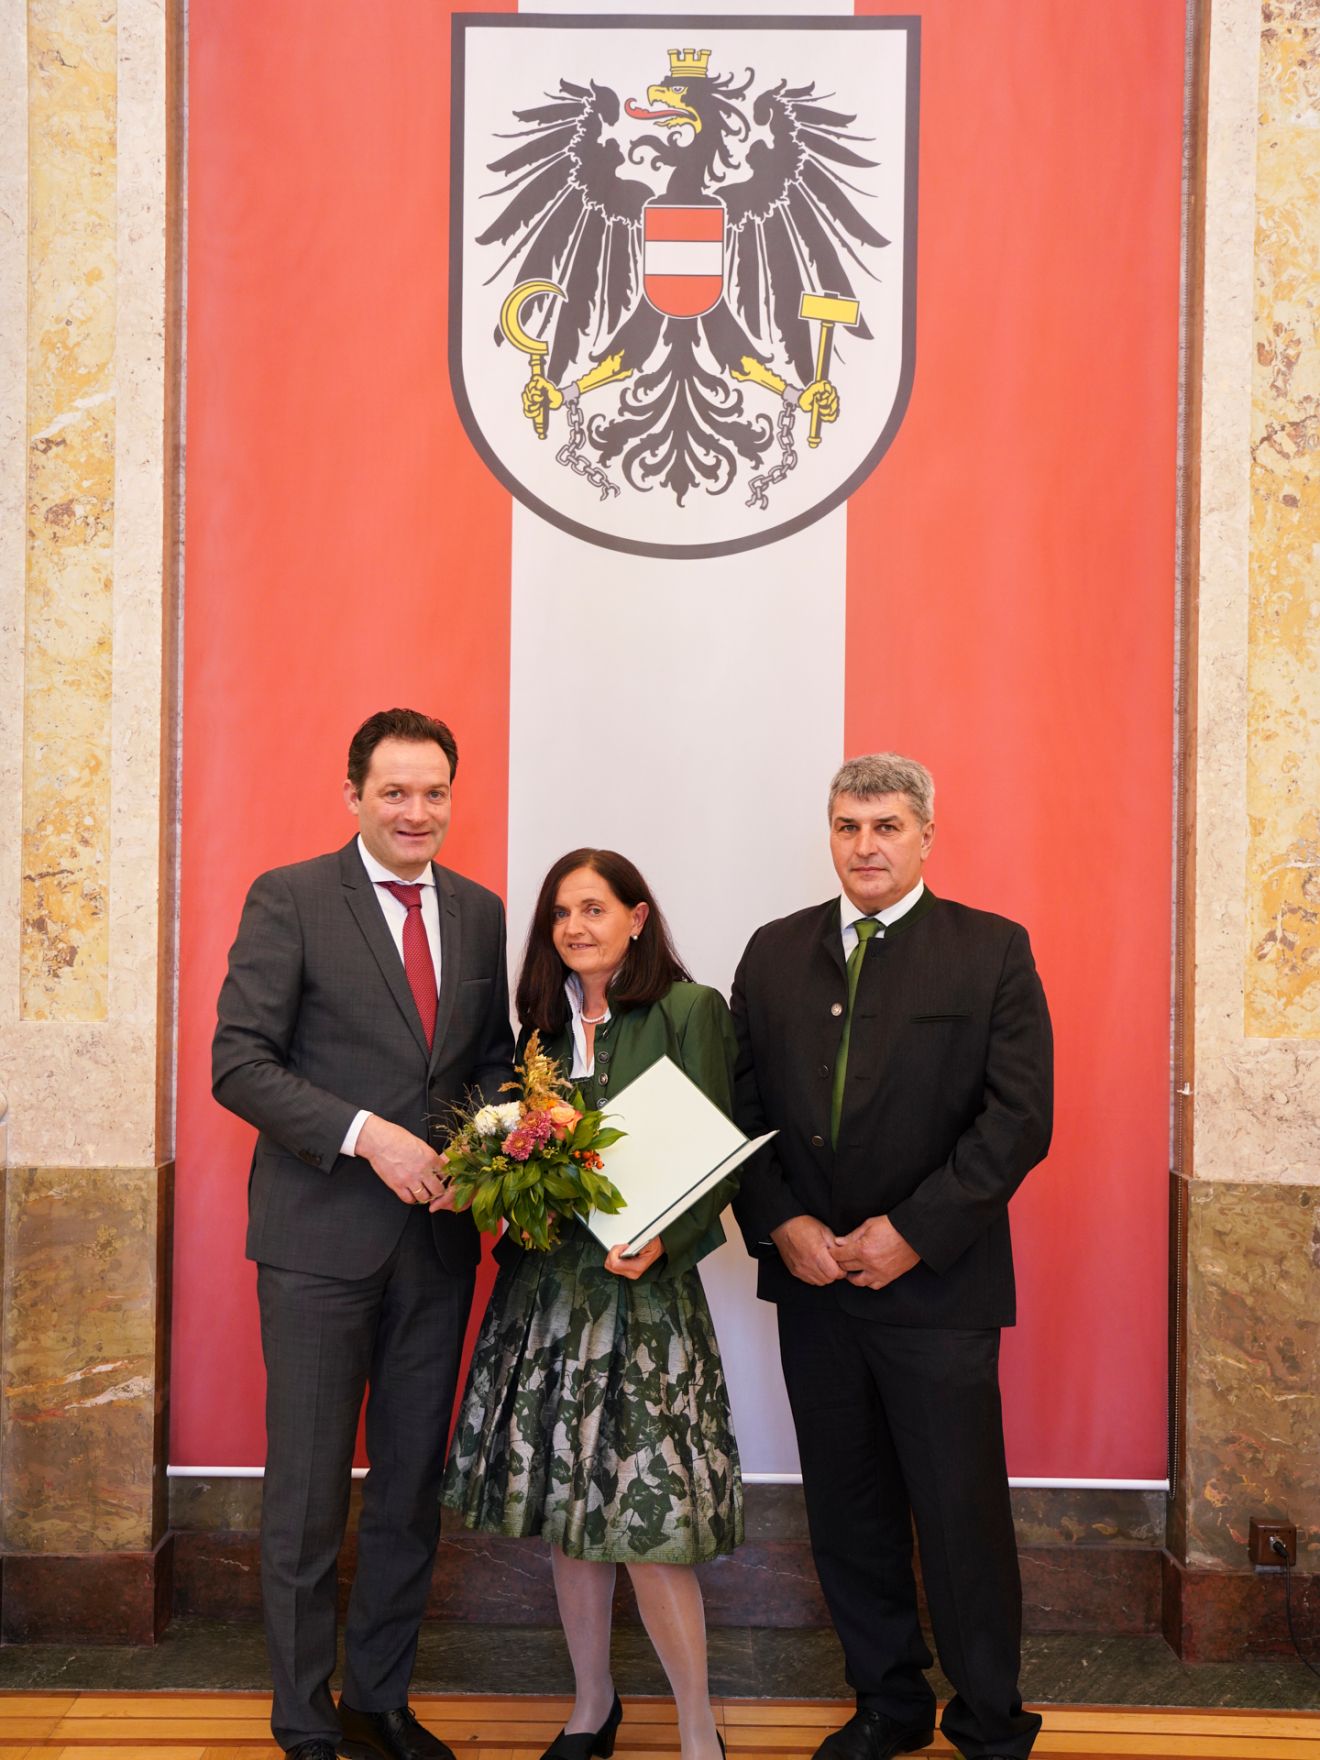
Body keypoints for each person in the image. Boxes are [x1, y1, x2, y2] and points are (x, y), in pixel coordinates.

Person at [731, 754, 1053, 1760]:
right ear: (828, 834)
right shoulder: (774, 952)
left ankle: (990, 1717)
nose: (864, 843)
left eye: (885, 824)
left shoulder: (991, 950)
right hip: (814, 1280)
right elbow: (740, 1109)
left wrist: (911, 1230)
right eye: (846, 824)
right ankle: (888, 1701)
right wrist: (782, 1223)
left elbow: (1018, 1120)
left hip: (940, 1285)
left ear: (925, 835)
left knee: (958, 1512)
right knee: (848, 1503)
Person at [212, 708, 514, 1760]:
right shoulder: (290, 897)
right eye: (394, 791)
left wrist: (480, 1155)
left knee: (408, 1489)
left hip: (435, 1250)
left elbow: (486, 1065)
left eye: (433, 791)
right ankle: (302, 1718)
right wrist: (365, 1135)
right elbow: (239, 1062)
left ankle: (376, 1696)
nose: (416, 810)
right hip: (316, 1246)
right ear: (353, 796)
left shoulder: (480, 913)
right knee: (302, 1497)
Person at [443, 849, 742, 1760]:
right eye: (561, 914)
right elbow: (520, 1159)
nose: (576, 927)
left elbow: (720, 1159)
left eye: (595, 908)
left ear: (637, 917)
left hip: (645, 1301)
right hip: (547, 1299)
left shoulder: (691, 1011)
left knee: (647, 1528)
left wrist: (668, 1242)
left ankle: (697, 1724)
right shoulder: (536, 1027)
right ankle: (590, 1707)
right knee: (570, 1518)